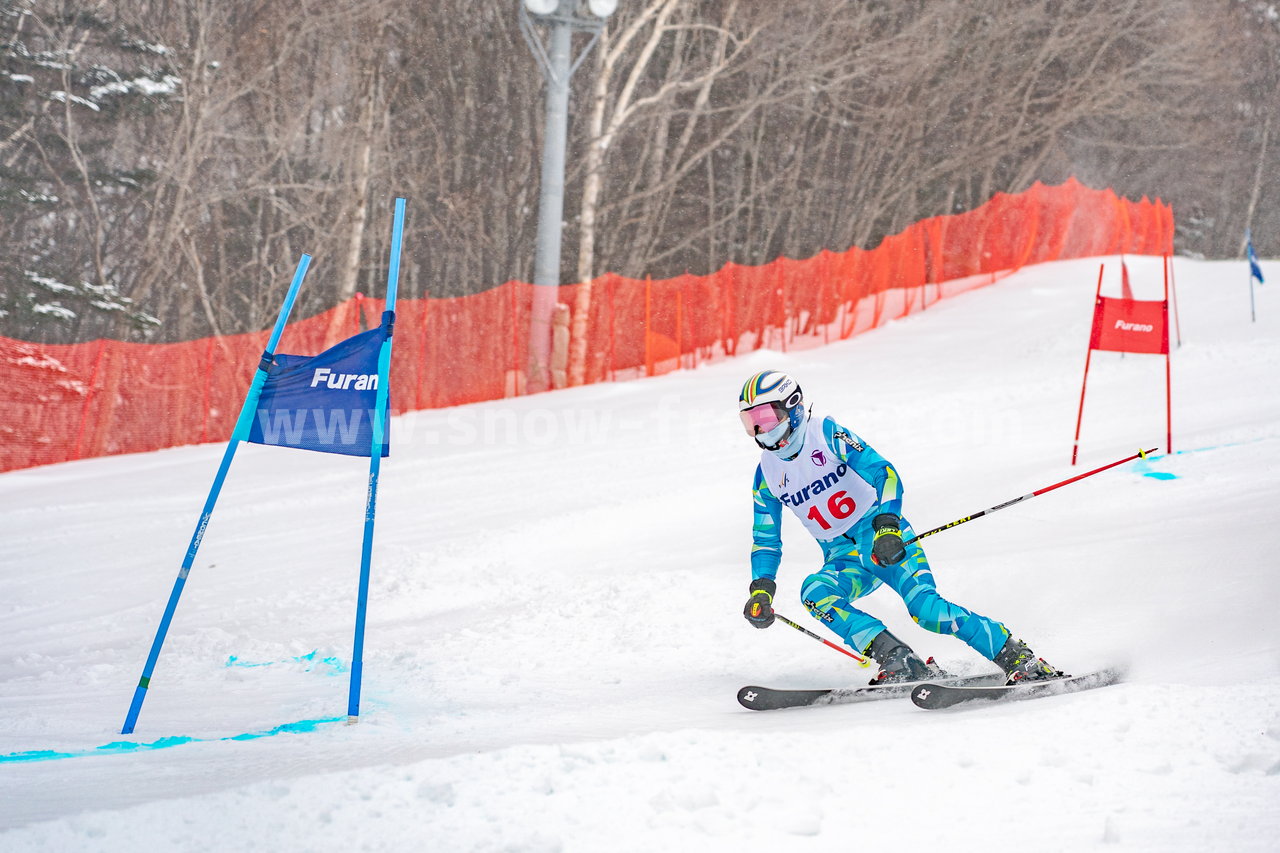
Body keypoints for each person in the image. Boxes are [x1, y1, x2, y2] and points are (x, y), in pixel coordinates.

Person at [737, 369, 1062, 685]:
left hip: (881, 538)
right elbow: (766, 540)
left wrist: (888, 527)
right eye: (752, 422)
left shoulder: (825, 434)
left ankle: (1017, 656)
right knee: (816, 593)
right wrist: (761, 589)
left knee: (927, 610)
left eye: (766, 417)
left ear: (793, 406)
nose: (761, 429)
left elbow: (884, 474)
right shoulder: (765, 475)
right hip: (843, 558)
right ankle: (897, 659)